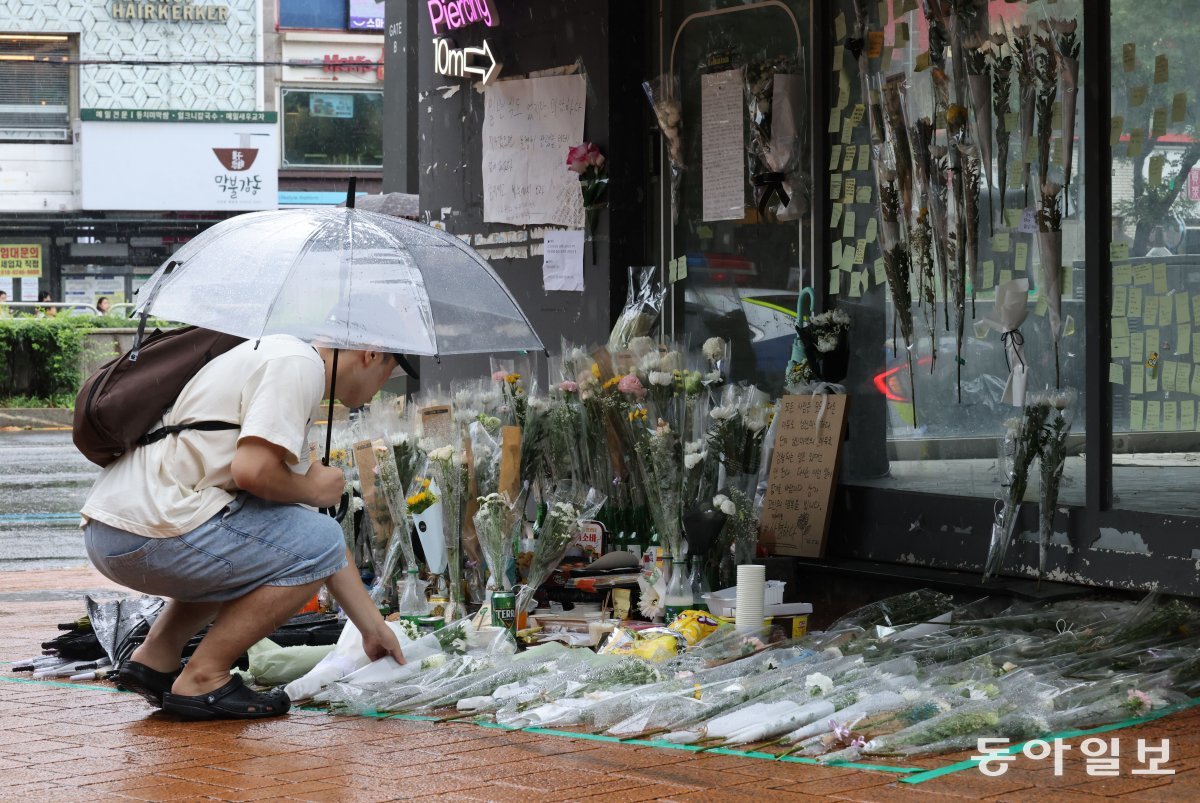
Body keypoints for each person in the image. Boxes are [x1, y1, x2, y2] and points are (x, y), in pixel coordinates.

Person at [80, 334, 408, 720]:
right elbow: (252, 472)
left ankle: (155, 658)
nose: (383, 389)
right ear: (371, 354)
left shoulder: (280, 357)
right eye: (392, 372)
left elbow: (310, 542)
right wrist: (314, 488)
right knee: (299, 541)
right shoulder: (297, 364)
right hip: (150, 533)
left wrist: (371, 628)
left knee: (266, 545)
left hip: (114, 529)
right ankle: (205, 676)